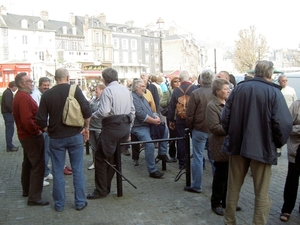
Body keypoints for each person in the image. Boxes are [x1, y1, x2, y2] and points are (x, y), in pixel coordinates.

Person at [221, 60, 293, 225]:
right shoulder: (274, 92)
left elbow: (225, 117)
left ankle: (229, 221)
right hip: (262, 147)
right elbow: (283, 123)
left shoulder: (238, 88)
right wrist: (276, 142)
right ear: (270, 74)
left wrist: (232, 134)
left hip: (237, 145)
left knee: (233, 187)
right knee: (261, 191)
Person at [36, 68, 92, 212]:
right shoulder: (75, 90)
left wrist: (48, 129)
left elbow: (40, 120)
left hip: (55, 138)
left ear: (55, 78)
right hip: (75, 136)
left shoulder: (47, 94)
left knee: (57, 171)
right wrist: (86, 128)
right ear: (67, 77)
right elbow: (87, 111)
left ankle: (59, 204)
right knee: (78, 170)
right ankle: (80, 202)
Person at [87, 68, 135, 199]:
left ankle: (101, 190)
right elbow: (132, 110)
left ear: (104, 79)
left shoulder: (108, 90)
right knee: (113, 158)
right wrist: (129, 127)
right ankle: (105, 187)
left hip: (112, 127)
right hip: (124, 127)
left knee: (100, 156)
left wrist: (93, 116)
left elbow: (104, 111)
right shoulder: (125, 89)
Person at [206, 79, 241, 216]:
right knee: (220, 175)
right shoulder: (212, 106)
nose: (228, 91)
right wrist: (233, 128)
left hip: (230, 144)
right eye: (226, 89)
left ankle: (227, 201)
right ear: (217, 91)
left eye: (229, 89)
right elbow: (214, 127)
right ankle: (216, 203)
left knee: (230, 176)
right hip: (219, 145)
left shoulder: (229, 103)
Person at [12, 72, 49, 206]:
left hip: (26, 135)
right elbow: (27, 120)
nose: (32, 83)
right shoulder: (23, 98)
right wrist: (37, 131)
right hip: (30, 136)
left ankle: (27, 190)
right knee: (37, 165)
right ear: (22, 84)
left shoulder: (22, 96)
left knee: (28, 163)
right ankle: (34, 197)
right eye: (29, 81)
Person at [131, 78, 171, 178]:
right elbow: (140, 114)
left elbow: (150, 110)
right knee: (149, 144)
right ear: (136, 88)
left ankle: (162, 153)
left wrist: (155, 116)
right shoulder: (133, 98)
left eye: (144, 86)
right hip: (139, 127)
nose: (145, 88)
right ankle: (152, 170)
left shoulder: (142, 97)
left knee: (164, 129)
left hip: (149, 124)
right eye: (142, 86)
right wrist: (154, 121)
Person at [184, 70, 214, 193]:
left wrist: (191, 127)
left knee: (198, 157)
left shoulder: (196, 93)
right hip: (213, 129)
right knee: (214, 158)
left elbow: (190, 114)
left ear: (200, 80)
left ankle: (197, 185)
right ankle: (216, 183)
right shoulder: (216, 92)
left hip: (199, 128)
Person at [167, 70, 198, 169]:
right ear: (189, 78)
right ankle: (199, 163)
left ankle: (182, 163)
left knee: (181, 141)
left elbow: (172, 106)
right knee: (196, 141)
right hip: (193, 119)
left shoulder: (176, 90)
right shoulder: (194, 88)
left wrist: (171, 120)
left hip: (180, 119)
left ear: (180, 79)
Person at [280, 99, 300, 222]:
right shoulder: (296, 105)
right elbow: (286, 126)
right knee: (292, 180)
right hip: (296, 150)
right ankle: (287, 209)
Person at [31, 77, 52, 187]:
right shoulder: (35, 95)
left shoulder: (44, 95)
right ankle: (42, 176)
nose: (46, 87)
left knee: (47, 150)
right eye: (44, 85)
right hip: (41, 127)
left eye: (48, 85)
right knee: (42, 152)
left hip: (46, 126)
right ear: (39, 85)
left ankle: (46, 171)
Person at [160, 77, 181, 162]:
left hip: (180, 117)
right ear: (172, 83)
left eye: (179, 81)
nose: (177, 83)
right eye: (175, 81)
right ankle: (172, 155)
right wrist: (169, 101)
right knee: (172, 136)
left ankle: (181, 155)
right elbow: (161, 103)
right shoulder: (168, 92)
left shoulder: (182, 91)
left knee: (181, 137)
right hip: (171, 117)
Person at [277, 74, 298, 157]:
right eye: (283, 81)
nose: (285, 82)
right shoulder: (277, 90)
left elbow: (295, 101)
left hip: (290, 114)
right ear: (279, 82)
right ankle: (278, 149)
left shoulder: (291, 90)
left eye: (286, 80)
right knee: (280, 131)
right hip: (280, 113)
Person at [87, 83, 106, 170]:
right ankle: (95, 162)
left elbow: (102, 112)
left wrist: (92, 115)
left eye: (97, 89)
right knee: (93, 146)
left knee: (101, 146)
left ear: (102, 90)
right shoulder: (94, 98)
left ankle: (103, 163)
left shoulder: (104, 100)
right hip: (91, 126)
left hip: (99, 127)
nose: (95, 91)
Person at [1, 81, 18, 152]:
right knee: (10, 129)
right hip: (8, 114)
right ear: (13, 86)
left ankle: (10, 145)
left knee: (10, 129)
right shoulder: (8, 93)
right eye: (16, 87)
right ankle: (10, 146)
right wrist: (12, 111)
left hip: (7, 113)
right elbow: (8, 104)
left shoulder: (7, 92)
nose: (16, 89)